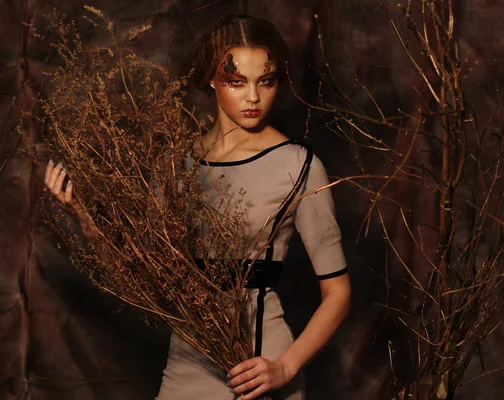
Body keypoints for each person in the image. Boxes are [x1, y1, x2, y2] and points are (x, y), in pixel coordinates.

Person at [44, 14, 351, 400]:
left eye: (266, 81)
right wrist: (80, 214)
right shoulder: (177, 166)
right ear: (210, 77)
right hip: (189, 360)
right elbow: (143, 275)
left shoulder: (299, 166)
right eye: (236, 82)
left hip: (260, 365)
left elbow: (338, 292)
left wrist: (285, 367)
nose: (253, 97)